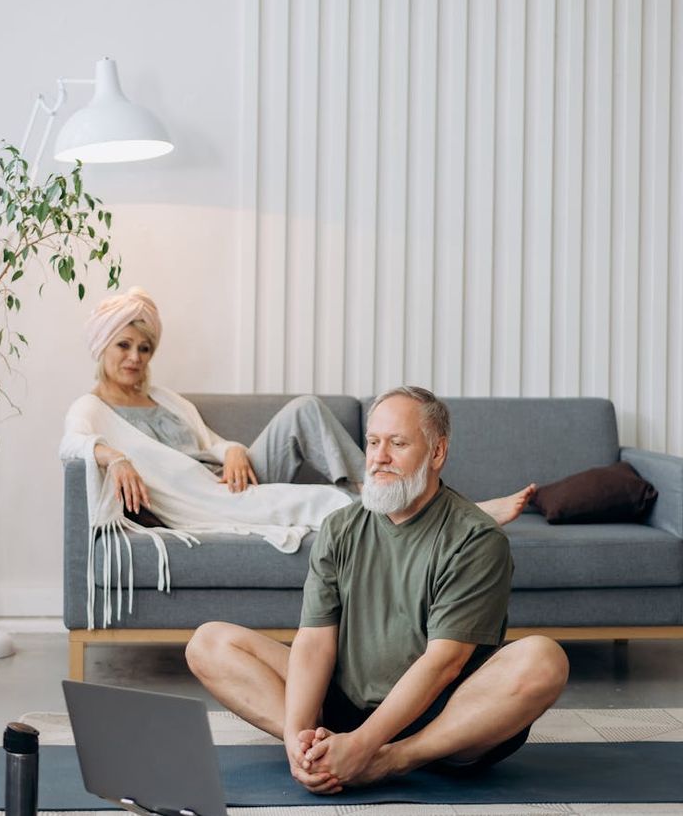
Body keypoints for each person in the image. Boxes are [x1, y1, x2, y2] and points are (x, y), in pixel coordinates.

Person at [60, 288, 534, 626]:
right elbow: (71, 445)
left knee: (305, 408)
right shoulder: (92, 408)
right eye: (124, 346)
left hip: (231, 481)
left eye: (144, 348)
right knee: (316, 498)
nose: (136, 357)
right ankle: (447, 511)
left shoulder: (165, 398)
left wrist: (234, 451)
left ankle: (376, 494)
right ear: (103, 347)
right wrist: (113, 456)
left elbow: (212, 442)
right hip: (202, 500)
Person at [185, 386, 569, 793]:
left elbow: (445, 663)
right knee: (208, 643)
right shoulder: (340, 527)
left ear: (437, 453)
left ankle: (394, 758)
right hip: (343, 707)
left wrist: (369, 748)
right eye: (372, 442)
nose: (379, 457)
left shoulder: (476, 538)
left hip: (440, 718)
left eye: (398, 443)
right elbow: (314, 643)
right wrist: (297, 735)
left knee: (544, 660)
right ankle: (320, 752)